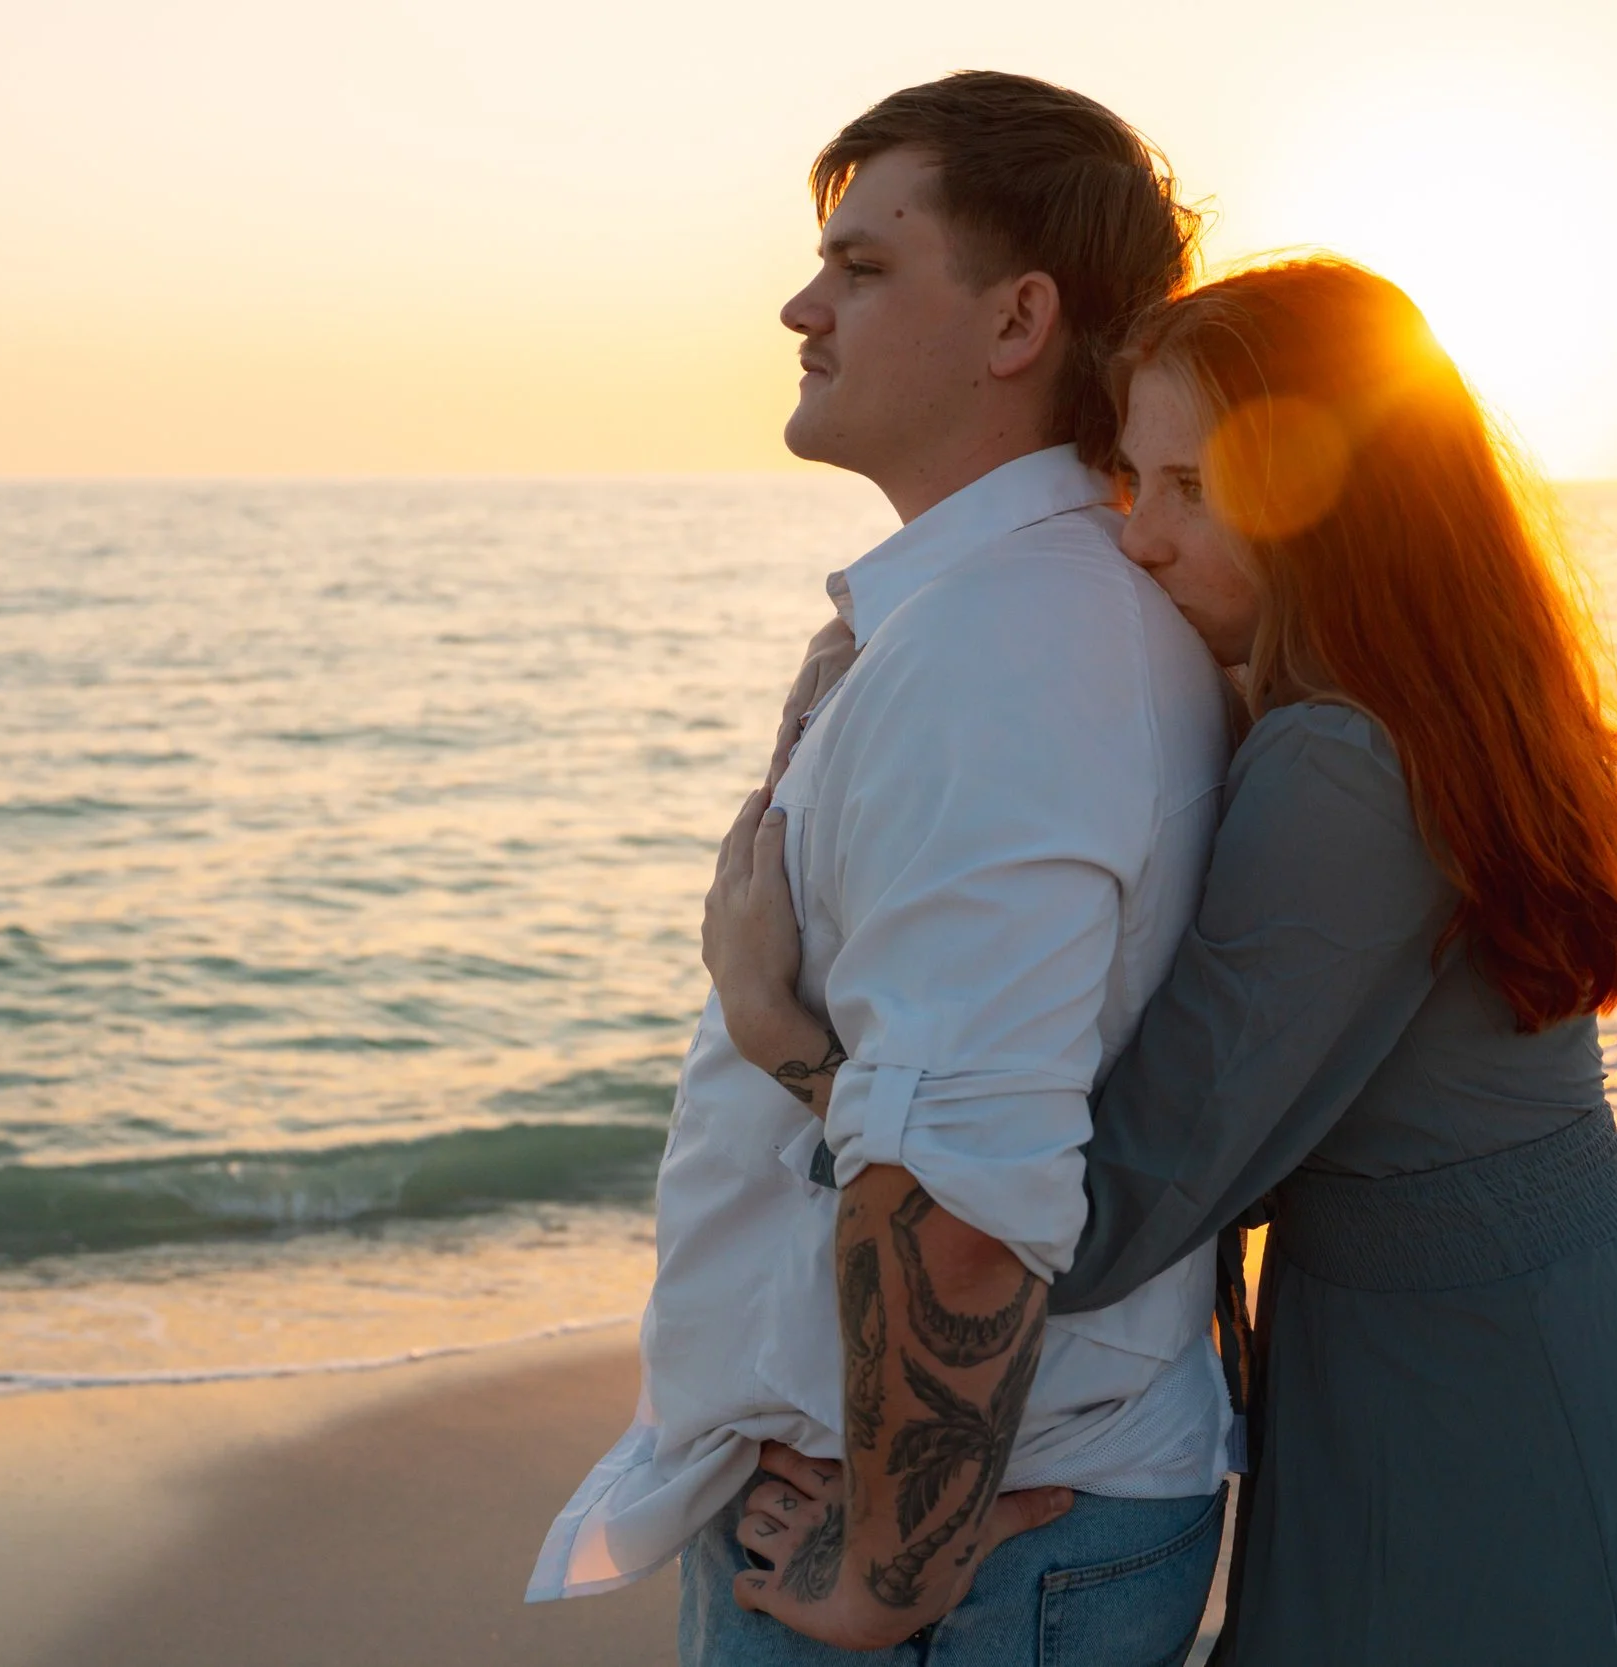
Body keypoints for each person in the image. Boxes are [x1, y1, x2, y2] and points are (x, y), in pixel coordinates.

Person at [703, 257, 1617, 1666]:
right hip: (1550, 1350)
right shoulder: (1434, 709)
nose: (1141, 539)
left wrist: (782, 1033)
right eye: (1137, 481)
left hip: (1482, 1416)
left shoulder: (1342, 763)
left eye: (1193, 488)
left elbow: (1095, 1214)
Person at [526, 73, 1243, 1664]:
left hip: (940, 1556)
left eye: (861, 268)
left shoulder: (1006, 648)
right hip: (936, 1507)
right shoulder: (998, 616)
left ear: (1018, 320)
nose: (802, 307)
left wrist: (888, 1577)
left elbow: (965, 1182)